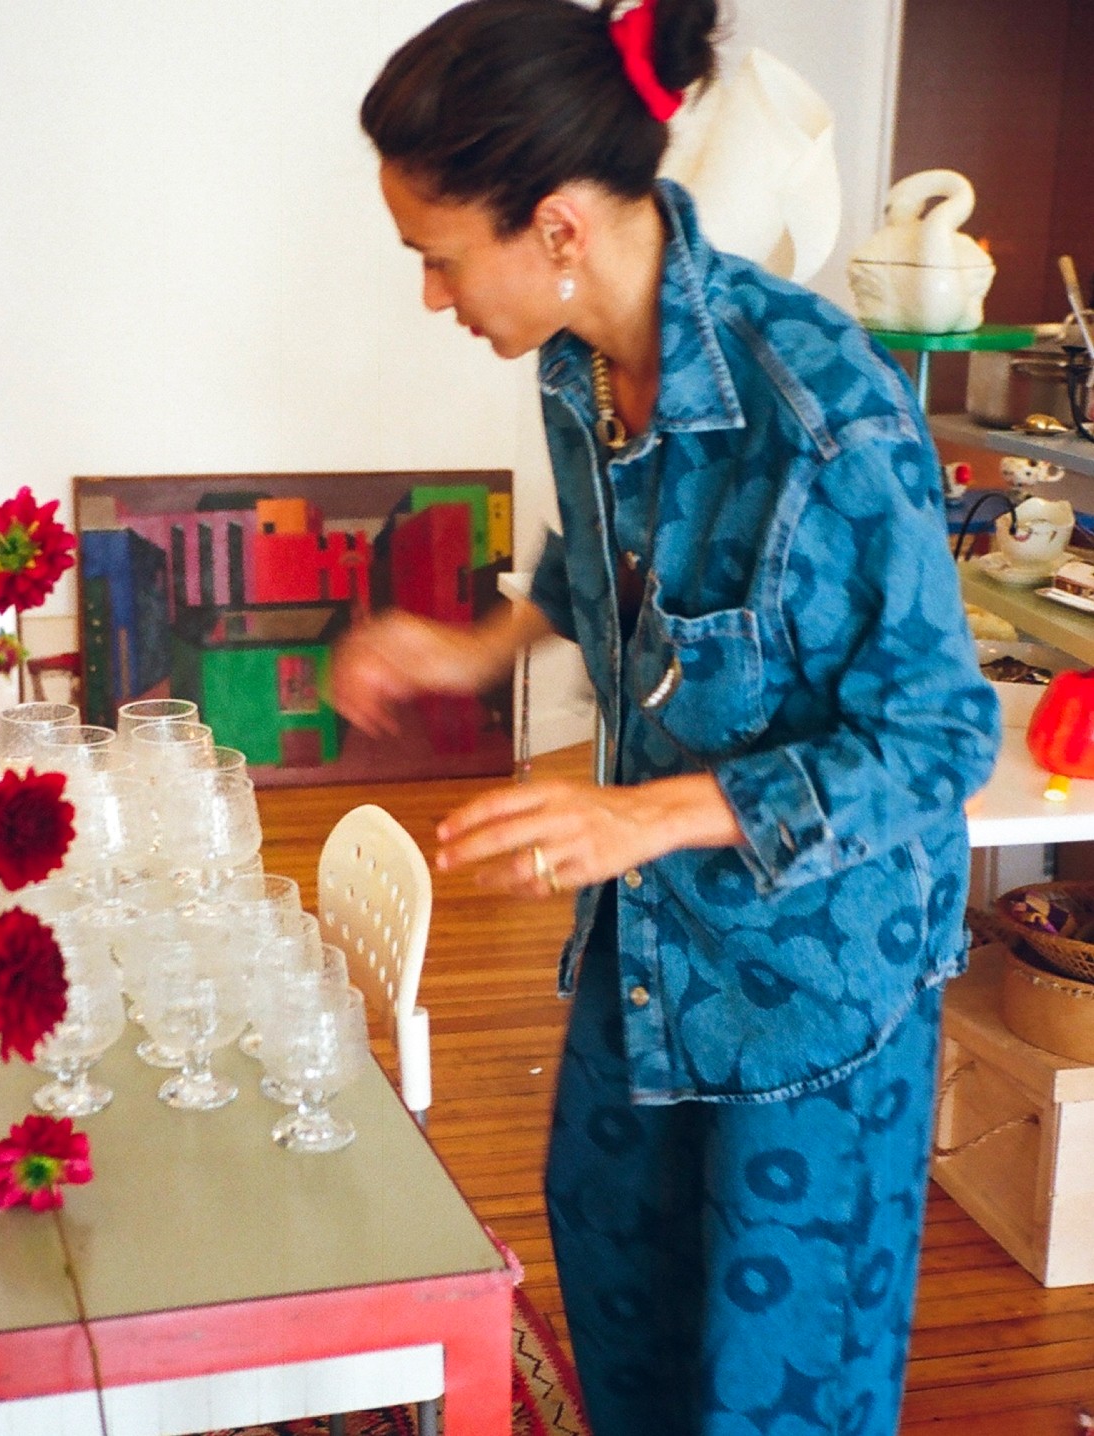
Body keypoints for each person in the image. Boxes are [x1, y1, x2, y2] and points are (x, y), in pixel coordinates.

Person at [331, 2, 1002, 1432]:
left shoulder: (821, 412)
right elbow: (607, 573)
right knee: (625, 1312)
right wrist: (472, 649)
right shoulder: (582, 371)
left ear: (557, 227)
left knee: (773, 1395)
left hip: (818, 996)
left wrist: (634, 815)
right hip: (654, 952)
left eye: (438, 261)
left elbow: (943, 740)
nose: (434, 300)